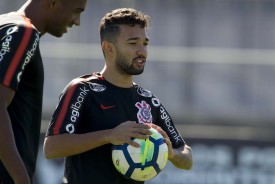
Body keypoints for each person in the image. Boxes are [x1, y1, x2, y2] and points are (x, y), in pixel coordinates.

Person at [44, 8, 193, 184]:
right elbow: (52, 147)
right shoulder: (82, 90)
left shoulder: (148, 100)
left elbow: (187, 157)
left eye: (145, 43)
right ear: (109, 48)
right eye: (133, 43)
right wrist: (109, 135)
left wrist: (171, 153)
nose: (142, 51)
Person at [0, 0, 87, 183]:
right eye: (76, 11)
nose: (77, 21)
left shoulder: (5, 24)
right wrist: (21, 178)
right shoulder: (23, 32)